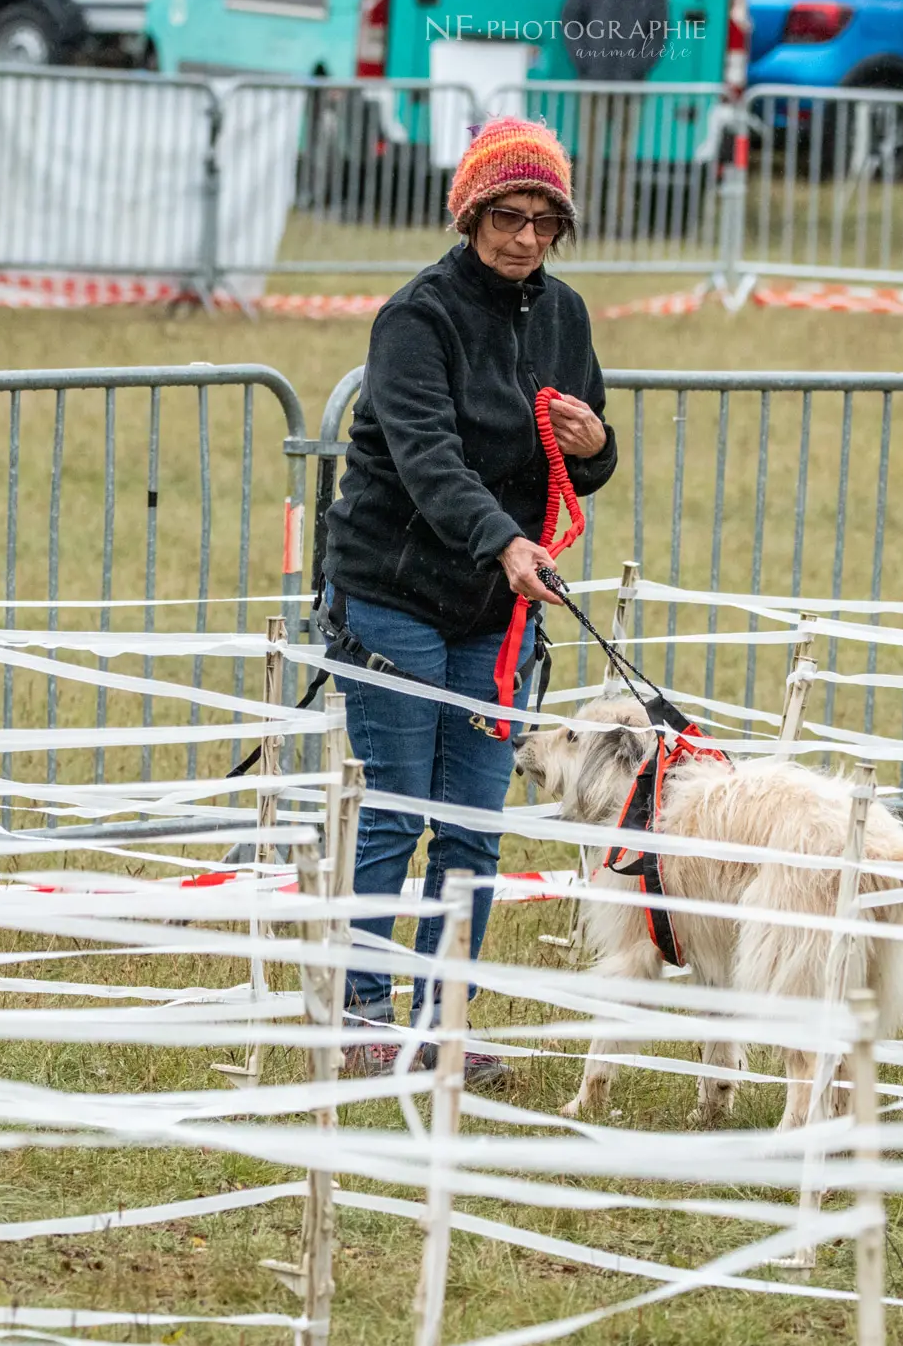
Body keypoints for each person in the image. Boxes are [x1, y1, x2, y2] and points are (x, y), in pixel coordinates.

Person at [319, 117, 619, 1085]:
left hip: (498, 608)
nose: (525, 237)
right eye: (506, 216)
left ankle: (441, 1016)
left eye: (544, 221)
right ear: (470, 211)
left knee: (473, 824)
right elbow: (426, 459)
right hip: (395, 589)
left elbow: (590, 452)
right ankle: (359, 1011)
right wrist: (500, 540)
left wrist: (594, 447)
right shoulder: (416, 319)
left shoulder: (564, 317)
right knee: (397, 810)